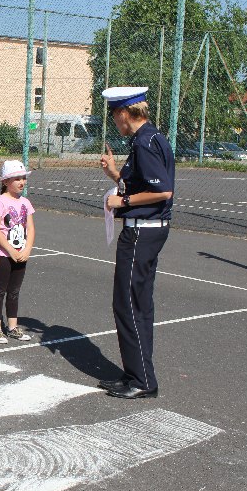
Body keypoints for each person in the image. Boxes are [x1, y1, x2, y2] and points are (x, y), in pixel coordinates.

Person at [99, 86, 174, 399]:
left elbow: (162, 190)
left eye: (115, 116)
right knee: (138, 304)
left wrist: (123, 201)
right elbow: (144, 183)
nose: (116, 122)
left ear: (124, 113)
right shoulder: (152, 138)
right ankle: (136, 373)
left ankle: (142, 380)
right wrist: (116, 175)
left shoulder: (144, 142)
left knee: (128, 303)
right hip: (148, 229)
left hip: (141, 232)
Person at [0, 160, 36, 344]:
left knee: (14, 291)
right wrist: (9, 250)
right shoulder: (0, 202)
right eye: (17, 179)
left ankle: (12, 327)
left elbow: (30, 228)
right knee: (0, 290)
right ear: (5, 182)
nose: (21, 182)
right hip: (3, 255)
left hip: (21, 254)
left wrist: (27, 249)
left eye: (23, 178)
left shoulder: (25, 202)